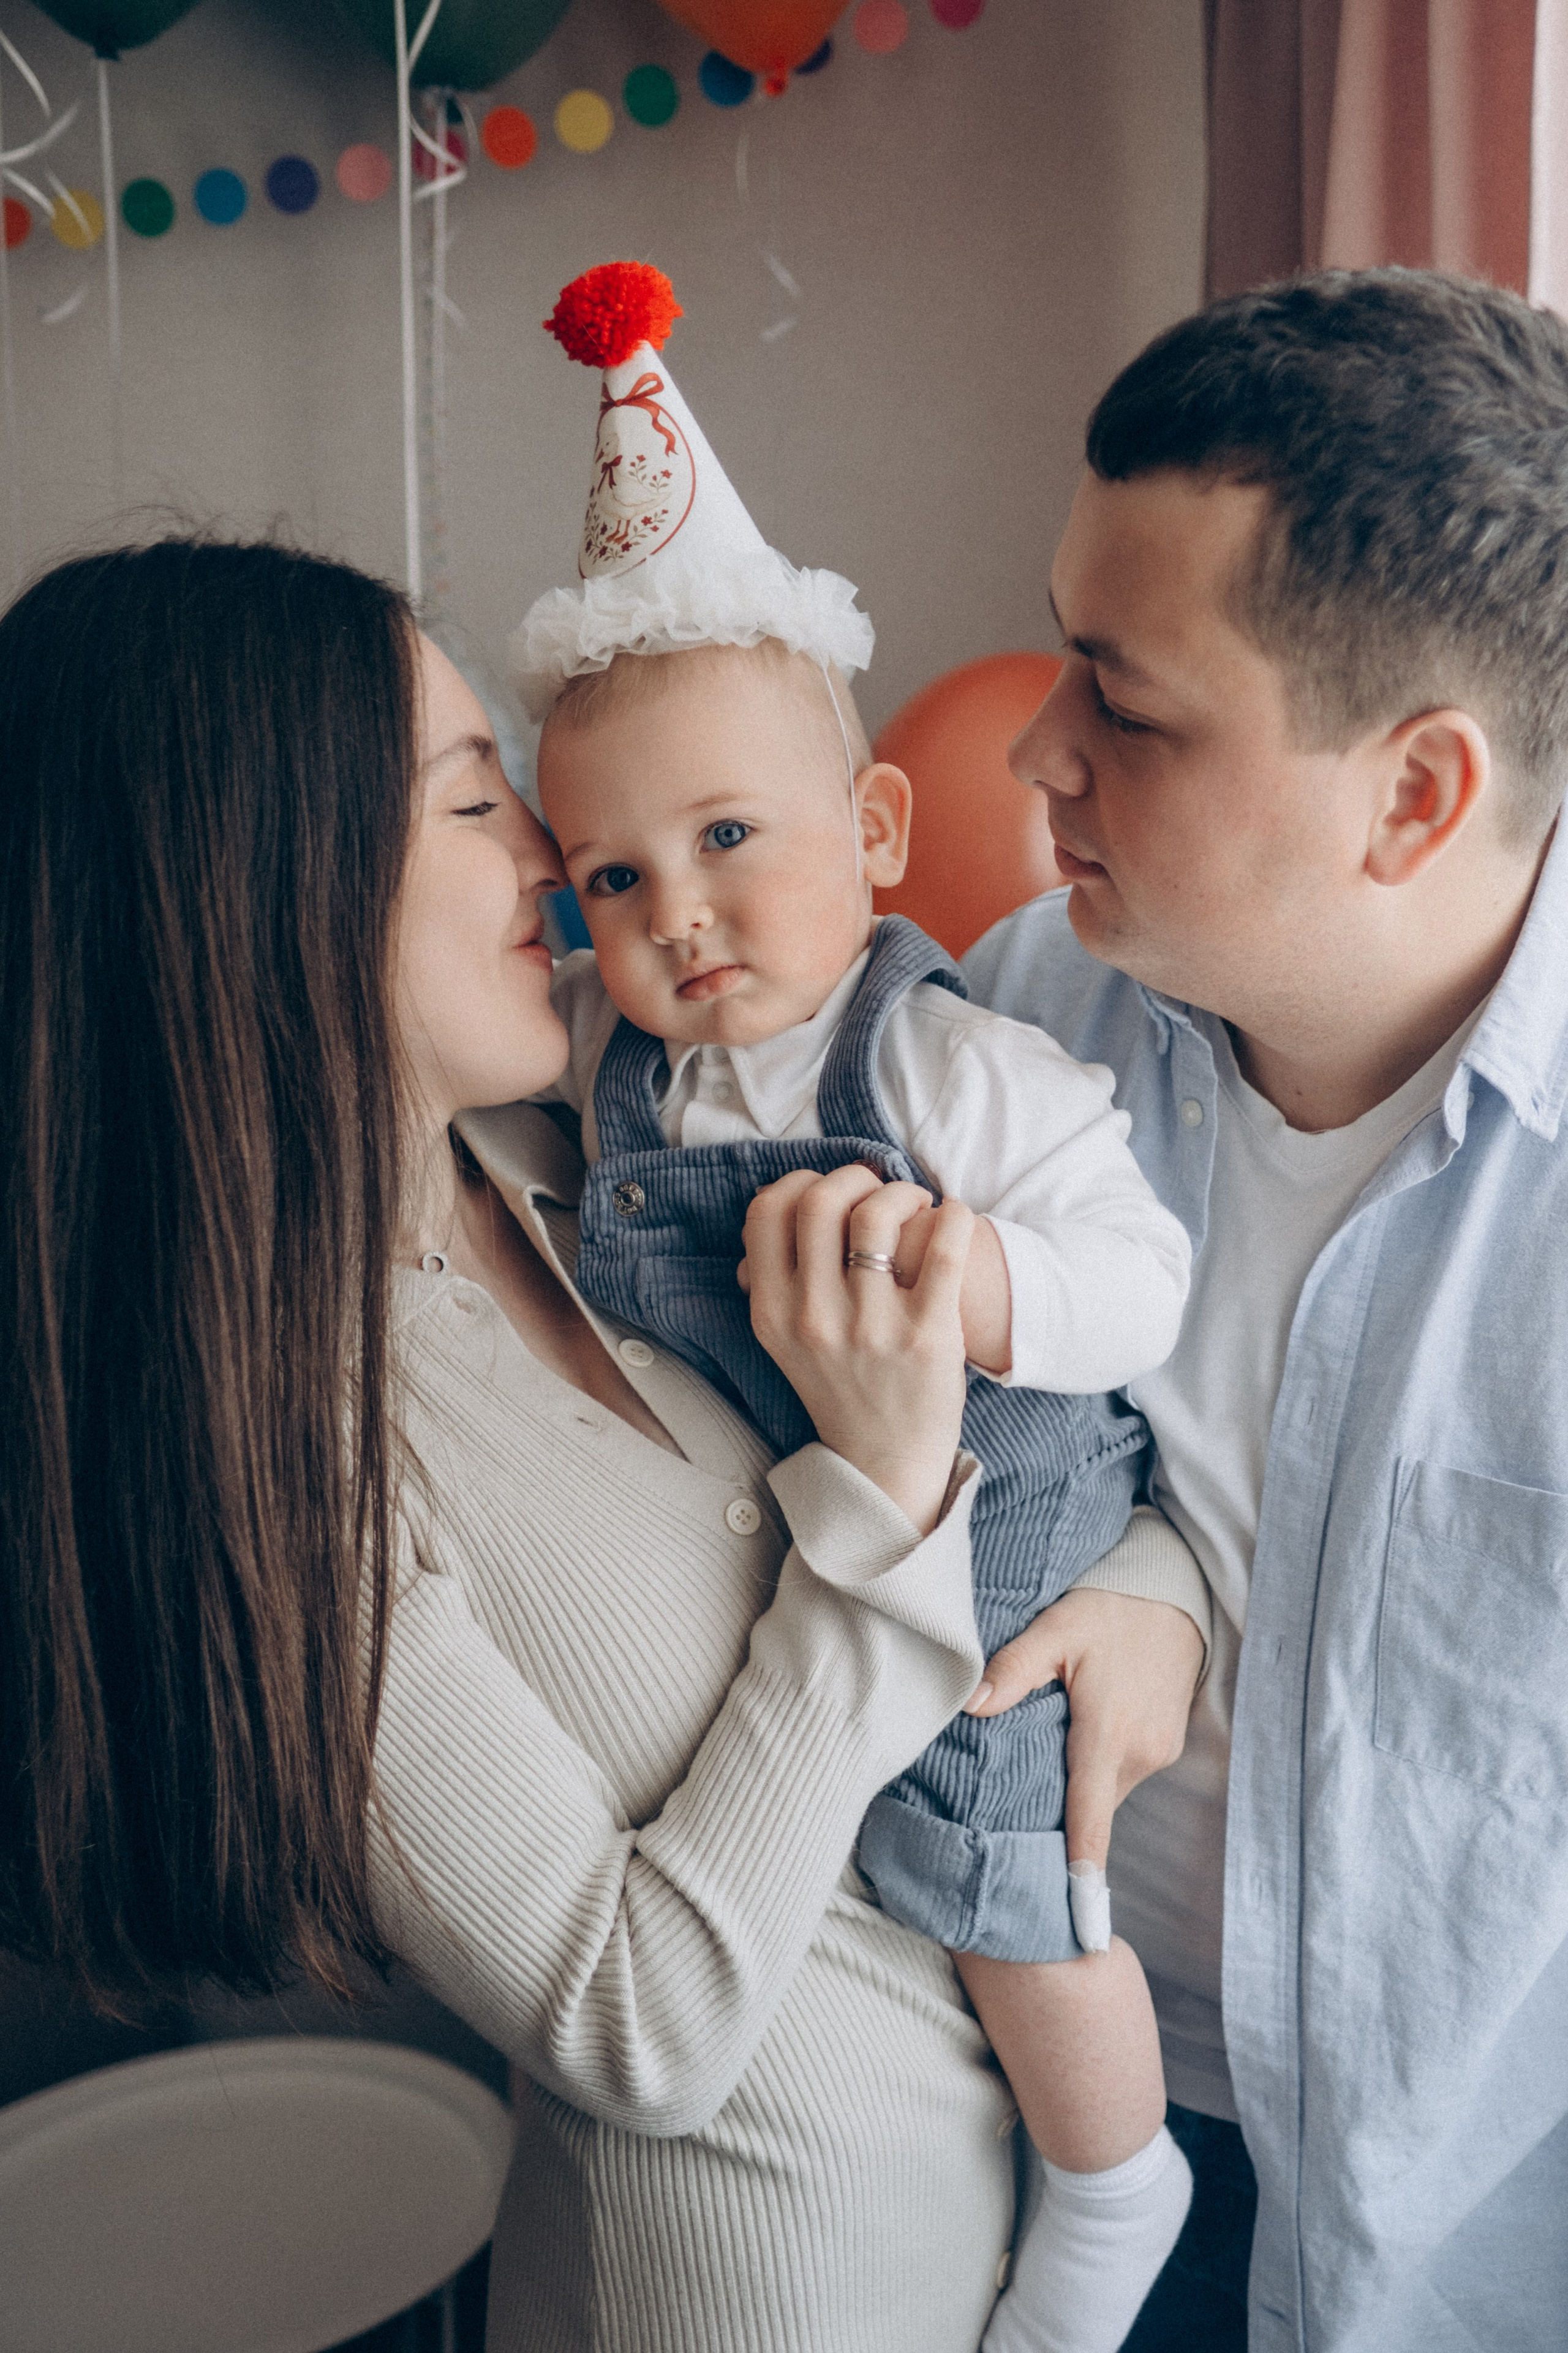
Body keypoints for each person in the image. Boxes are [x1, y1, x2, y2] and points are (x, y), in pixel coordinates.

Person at [0, 534, 1206, 2353]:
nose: (552, 861)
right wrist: (884, 1502)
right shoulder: (277, 1455)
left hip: (992, 2232)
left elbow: (1046, 1422)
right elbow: (631, 2022)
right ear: (262, 884)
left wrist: (1149, 1590)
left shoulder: (585, 1159)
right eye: (474, 798)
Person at [519, 259, 1207, 2353]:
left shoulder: (947, 1057)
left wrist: (988, 1280)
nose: (679, 914)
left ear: (878, 827)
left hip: (998, 1518)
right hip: (833, 1518)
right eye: (613, 877)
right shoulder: (615, 1068)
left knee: (999, 1869)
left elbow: (1143, 1277)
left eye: (730, 835)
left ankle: (1116, 2182)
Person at [963, 266, 1568, 2352]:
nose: (1036, 749)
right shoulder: (1015, 1015)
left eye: (1126, 707)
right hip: (1023, 2127)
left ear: (1413, 796)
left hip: (1446, 2244)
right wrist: (1149, 1560)